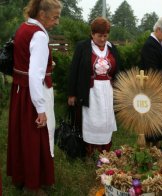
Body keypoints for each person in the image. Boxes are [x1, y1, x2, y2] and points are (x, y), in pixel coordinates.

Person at [6, 0, 62, 194]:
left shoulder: (24, 27)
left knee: (22, 135)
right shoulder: (38, 35)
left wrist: (47, 65)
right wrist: (40, 108)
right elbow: (35, 75)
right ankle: (33, 186)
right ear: (42, 15)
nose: (57, 21)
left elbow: (26, 62)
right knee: (34, 139)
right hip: (32, 92)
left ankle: (21, 178)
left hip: (20, 89)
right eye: (55, 17)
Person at [68, 17, 120, 159]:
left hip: (107, 91)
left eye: (105, 35)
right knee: (91, 120)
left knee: (105, 119)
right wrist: (72, 93)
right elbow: (74, 70)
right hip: (90, 91)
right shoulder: (83, 47)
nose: (103, 39)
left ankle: (104, 150)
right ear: (92, 33)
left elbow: (118, 71)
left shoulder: (112, 48)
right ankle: (88, 151)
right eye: (99, 35)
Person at [140, 16, 162, 147]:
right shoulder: (149, 46)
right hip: (153, 88)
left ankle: (158, 145)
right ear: (159, 29)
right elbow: (152, 72)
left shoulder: (161, 43)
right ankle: (151, 146)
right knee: (154, 119)